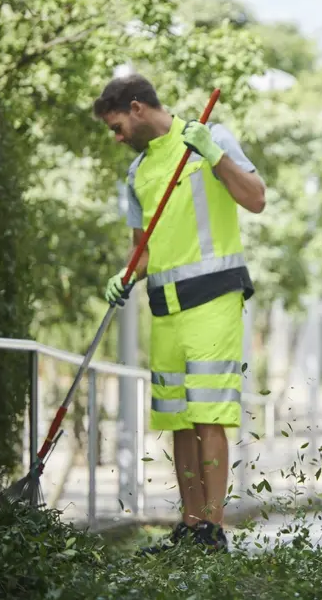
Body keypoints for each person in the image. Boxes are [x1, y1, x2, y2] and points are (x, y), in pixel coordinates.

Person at [92, 73, 266, 553]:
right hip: (164, 308)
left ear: (137, 108)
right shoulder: (137, 174)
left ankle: (213, 530)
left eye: (117, 126)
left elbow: (255, 199)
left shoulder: (209, 138)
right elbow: (142, 250)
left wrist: (214, 154)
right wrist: (125, 275)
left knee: (209, 415)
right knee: (180, 421)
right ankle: (190, 528)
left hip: (213, 300)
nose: (117, 137)